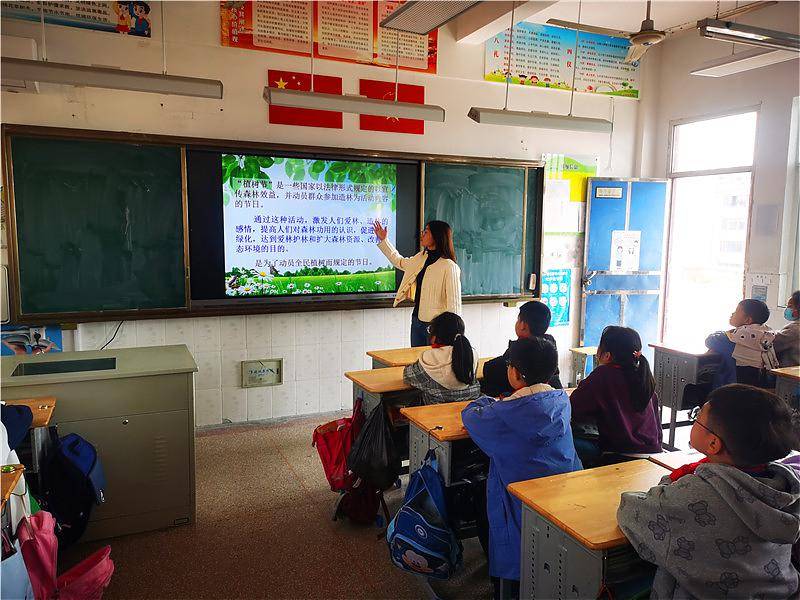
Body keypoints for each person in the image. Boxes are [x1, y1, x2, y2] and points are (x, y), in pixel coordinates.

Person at [617, 384, 800, 599]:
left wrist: (672, 479)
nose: (695, 420)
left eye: (697, 418)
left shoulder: (693, 495)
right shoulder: (787, 487)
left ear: (714, 444)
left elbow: (628, 511)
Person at [462, 338, 582, 600]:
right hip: (563, 495)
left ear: (515, 372)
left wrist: (484, 402)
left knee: (510, 541)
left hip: (517, 502)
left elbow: (471, 418)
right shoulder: (561, 400)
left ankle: (504, 590)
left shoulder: (503, 413)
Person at [569, 326, 661, 465]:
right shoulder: (643, 377)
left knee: (563, 441)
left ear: (607, 355)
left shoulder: (603, 375)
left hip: (620, 456)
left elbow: (573, 408)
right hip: (654, 455)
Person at [373, 220, 461, 347]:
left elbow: (454, 306)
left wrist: (450, 333)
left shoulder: (449, 266)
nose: (422, 235)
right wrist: (384, 240)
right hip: (417, 320)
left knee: (432, 364)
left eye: (426, 232)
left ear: (437, 236)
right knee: (416, 361)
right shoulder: (421, 257)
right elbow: (399, 261)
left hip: (436, 326)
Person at [481, 300, 562, 398]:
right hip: (551, 396)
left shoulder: (521, 348)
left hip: (523, 399)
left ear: (523, 325)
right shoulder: (550, 344)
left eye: (518, 320)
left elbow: (491, 370)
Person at [403, 312, 480, 404]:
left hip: (432, 415)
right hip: (469, 412)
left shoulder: (429, 358)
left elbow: (407, 376)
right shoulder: (471, 354)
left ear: (435, 335)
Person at [726, 298, 778, 387]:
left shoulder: (741, 334)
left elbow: (713, 341)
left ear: (747, 320)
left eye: (736, 311)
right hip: (765, 372)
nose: (732, 313)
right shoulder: (766, 331)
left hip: (746, 371)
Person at [774, 290, 800, 367]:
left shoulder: (794, 329)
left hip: (788, 375)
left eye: (790, 306)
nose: (787, 309)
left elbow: (771, 345)